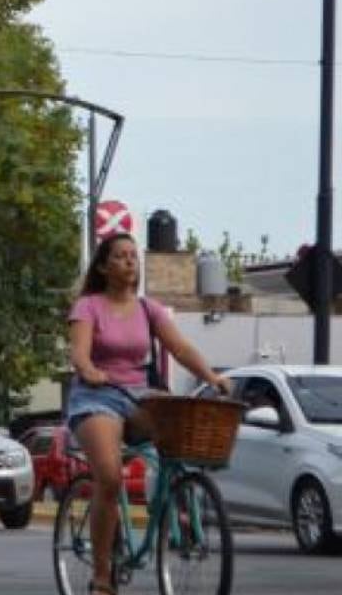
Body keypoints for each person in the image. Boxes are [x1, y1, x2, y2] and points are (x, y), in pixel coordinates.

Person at [67, 233, 231, 595]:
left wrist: (212, 376)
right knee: (109, 478)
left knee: (178, 440)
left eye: (133, 256)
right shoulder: (89, 306)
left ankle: (181, 507)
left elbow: (180, 347)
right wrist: (90, 370)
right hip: (97, 397)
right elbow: (78, 353)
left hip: (138, 394)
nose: (130, 262)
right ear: (103, 266)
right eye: (121, 256)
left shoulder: (148, 309)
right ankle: (102, 576)